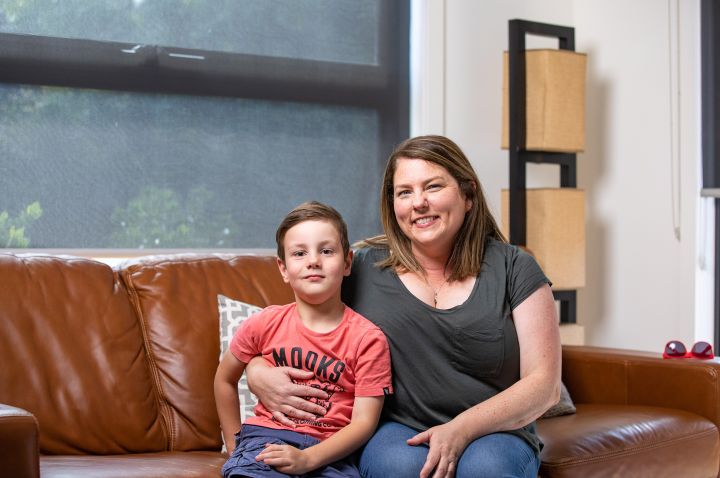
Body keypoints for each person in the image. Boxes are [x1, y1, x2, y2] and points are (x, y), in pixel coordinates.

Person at [245, 136, 561, 478]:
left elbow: (544, 386)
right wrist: (256, 371)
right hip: (398, 427)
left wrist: (460, 429)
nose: (419, 203)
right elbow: (293, 326)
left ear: (468, 194)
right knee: (398, 467)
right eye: (405, 192)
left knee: (487, 469)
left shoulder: (515, 268)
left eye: (433, 186)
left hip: (495, 431)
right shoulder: (361, 267)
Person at [214, 201, 393, 478]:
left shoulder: (368, 339)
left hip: (331, 452)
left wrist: (308, 459)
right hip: (266, 439)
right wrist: (232, 444)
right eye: (299, 253)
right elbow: (224, 379)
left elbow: (364, 422)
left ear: (347, 262)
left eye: (326, 251)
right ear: (283, 268)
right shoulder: (264, 323)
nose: (313, 261)